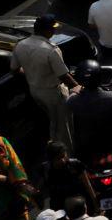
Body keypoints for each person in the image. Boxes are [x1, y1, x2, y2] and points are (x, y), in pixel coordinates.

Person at [11, 14, 77, 149]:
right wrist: (78, 87)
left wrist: (32, 73)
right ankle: (66, 154)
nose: (54, 32)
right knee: (62, 126)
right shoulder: (51, 50)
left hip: (35, 91)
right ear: (46, 30)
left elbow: (15, 69)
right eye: (52, 29)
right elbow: (64, 76)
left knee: (52, 120)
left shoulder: (20, 45)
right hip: (53, 93)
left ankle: (54, 144)